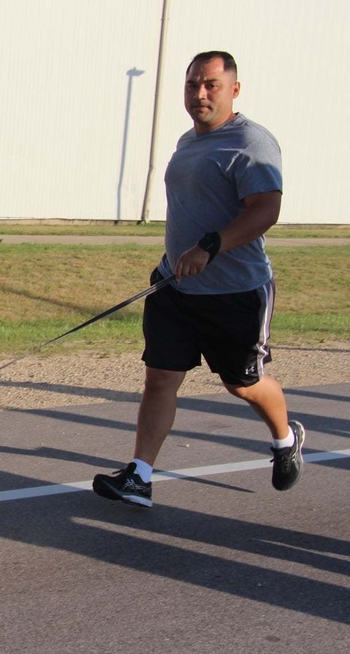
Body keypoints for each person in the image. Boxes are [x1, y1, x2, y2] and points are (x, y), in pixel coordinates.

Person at [92, 51, 305, 508]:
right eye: (192, 85)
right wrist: (181, 256)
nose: (199, 94)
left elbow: (266, 209)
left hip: (236, 292)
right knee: (160, 378)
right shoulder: (188, 141)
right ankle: (140, 476)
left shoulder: (251, 143)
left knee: (242, 383)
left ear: (234, 89)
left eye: (210, 84)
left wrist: (210, 247)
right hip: (175, 286)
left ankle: (286, 438)